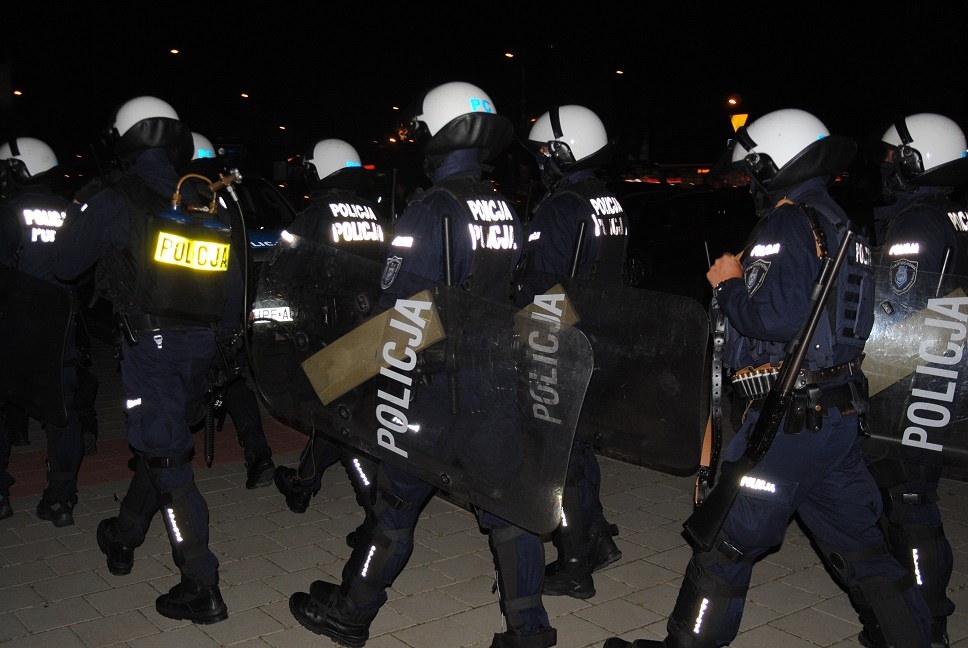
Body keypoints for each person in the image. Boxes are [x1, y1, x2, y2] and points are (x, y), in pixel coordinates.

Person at [603, 108, 933, 648]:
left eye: (754, 166)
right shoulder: (839, 222)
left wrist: (729, 283)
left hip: (789, 422)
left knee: (726, 541)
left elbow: (774, 318)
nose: (751, 177)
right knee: (863, 548)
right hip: (836, 413)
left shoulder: (788, 220)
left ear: (772, 161)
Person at [287, 80, 557, 648]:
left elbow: (398, 308)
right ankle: (529, 630)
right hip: (494, 380)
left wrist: (337, 373)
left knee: (394, 504)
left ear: (436, 132)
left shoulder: (431, 208)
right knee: (508, 509)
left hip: (434, 388)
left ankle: (351, 613)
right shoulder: (498, 203)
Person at [53, 96, 229, 624]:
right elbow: (235, 281)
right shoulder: (207, 196)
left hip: (151, 345)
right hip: (207, 345)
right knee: (165, 444)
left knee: (167, 456)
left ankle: (201, 585)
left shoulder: (116, 195)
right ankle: (124, 534)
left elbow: (65, 264)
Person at [861, 112, 968, 648]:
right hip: (947, 371)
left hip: (915, 375)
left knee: (908, 500)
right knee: (913, 496)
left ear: (914, 160)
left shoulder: (915, 224)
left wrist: (870, 385)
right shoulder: (955, 213)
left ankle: (926, 623)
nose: (883, 167)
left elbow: (896, 311)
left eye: (890, 156)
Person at [517, 105, 624, 599]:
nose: (540, 160)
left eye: (545, 151)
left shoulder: (561, 205)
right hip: (602, 337)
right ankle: (596, 538)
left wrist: (520, 335)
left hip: (562, 342)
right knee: (580, 449)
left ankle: (575, 565)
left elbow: (541, 284)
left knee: (560, 456)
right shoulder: (608, 199)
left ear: (563, 150)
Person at [273, 137, 388, 514]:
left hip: (330, 330)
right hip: (373, 324)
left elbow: (282, 271)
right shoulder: (372, 215)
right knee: (342, 411)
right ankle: (304, 482)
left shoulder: (314, 216)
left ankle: (377, 511)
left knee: (343, 422)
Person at [0, 136, 87, 526]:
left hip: (14, 325)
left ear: (18, 169)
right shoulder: (72, 211)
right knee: (62, 413)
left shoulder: (7, 212)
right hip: (62, 325)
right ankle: (61, 498)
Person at [184, 131, 275, 489]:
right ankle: (258, 453)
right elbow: (240, 264)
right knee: (234, 382)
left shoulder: (174, 202)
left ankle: (159, 464)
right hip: (225, 311)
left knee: (178, 391)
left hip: (188, 317)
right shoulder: (223, 205)